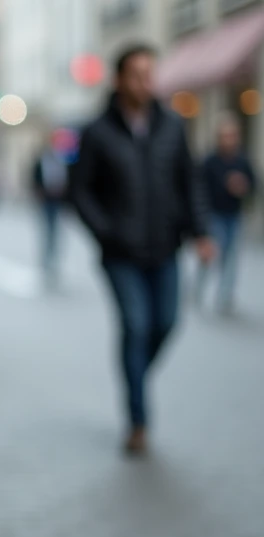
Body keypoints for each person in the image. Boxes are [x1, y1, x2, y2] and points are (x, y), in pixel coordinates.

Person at [70, 44, 214, 456]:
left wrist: (200, 233)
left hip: (165, 246)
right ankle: (138, 419)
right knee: (135, 326)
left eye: (151, 73)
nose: (146, 81)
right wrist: (106, 231)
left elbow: (189, 182)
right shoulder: (98, 131)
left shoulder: (172, 124)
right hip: (120, 253)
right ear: (119, 80)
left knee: (165, 323)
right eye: (137, 74)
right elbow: (80, 193)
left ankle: (134, 376)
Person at [198, 116, 256, 314]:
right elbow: (200, 188)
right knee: (210, 254)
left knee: (231, 259)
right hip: (214, 215)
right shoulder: (210, 161)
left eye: (232, 136)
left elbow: (253, 185)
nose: (229, 140)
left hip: (234, 215)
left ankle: (225, 297)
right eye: (225, 136)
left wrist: (243, 187)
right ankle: (199, 290)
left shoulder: (242, 161)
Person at [31, 137, 69, 290]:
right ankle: (46, 262)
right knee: (47, 231)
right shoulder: (42, 161)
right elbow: (35, 178)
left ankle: (54, 261)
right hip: (46, 200)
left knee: (56, 232)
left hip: (57, 200)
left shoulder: (61, 161)